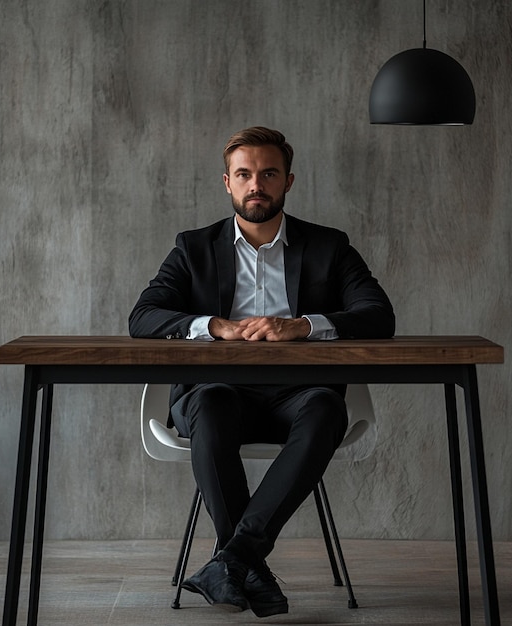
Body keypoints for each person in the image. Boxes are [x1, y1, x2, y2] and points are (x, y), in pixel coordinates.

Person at [129, 126, 395, 617]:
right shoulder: (193, 248)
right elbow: (142, 316)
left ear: (288, 181)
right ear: (226, 183)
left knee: (325, 407)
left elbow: (379, 314)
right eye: (245, 174)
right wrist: (215, 326)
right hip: (217, 394)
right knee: (209, 403)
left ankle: (231, 560)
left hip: (298, 395)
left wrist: (304, 326)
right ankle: (244, 563)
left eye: (268, 173)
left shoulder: (328, 247)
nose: (257, 184)